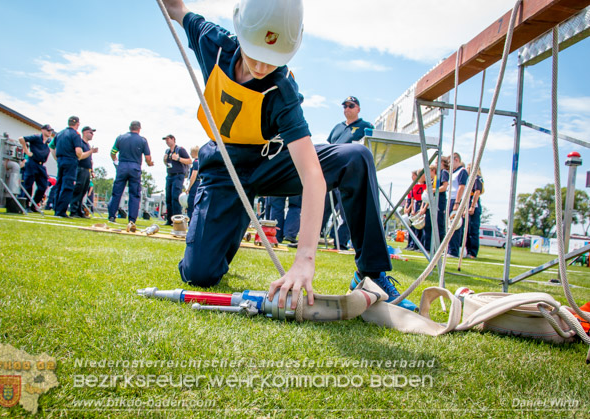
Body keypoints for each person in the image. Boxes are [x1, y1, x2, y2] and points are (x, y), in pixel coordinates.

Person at [162, 0, 417, 311]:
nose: (261, 66)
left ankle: (371, 273)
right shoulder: (212, 42)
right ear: (241, 32)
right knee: (199, 275)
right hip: (223, 169)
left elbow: (312, 174)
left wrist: (304, 260)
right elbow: (176, 8)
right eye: (255, 54)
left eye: (273, 58)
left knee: (356, 157)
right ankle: (224, 229)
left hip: (271, 163)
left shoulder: (283, 89)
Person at [321, 96, 375, 249]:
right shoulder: (337, 127)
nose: (347, 109)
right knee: (322, 207)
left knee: (346, 210)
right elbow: (329, 146)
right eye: (344, 106)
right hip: (331, 171)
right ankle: (312, 238)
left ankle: (340, 242)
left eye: (351, 106)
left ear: (358, 108)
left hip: (349, 173)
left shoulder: (366, 126)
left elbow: (370, 147)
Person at [107, 121, 154, 229]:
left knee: (117, 193)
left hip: (122, 166)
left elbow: (113, 152)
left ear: (130, 128)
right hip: (135, 167)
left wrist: (116, 162)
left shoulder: (121, 138)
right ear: (139, 129)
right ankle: (132, 219)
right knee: (134, 194)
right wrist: (149, 163)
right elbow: (148, 158)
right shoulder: (142, 140)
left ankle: (111, 216)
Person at [53, 116, 84, 218]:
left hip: (60, 160)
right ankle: (61, 211)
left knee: (59, 184)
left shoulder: (59, 134)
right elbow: (78, 151)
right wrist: (80, 157)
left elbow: (52, 147)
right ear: (77, 124)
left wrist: (57, 158)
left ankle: (56, 208)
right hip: (70, 160)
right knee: (68, 186)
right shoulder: (75, 135)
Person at [18, 124, 53, 211]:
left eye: (50, 131)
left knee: (43, 186)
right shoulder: (36, 137)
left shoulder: (49, 141)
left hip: (41, 165)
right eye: (48, 130)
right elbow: (21, 138)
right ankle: (25, 205)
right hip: (32, 163)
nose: (50, 132)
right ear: (42, 130)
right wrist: (26, 151)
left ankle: (34, 204)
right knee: (28, 184)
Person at [70, 126, 98, 217]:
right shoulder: (80, 143)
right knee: (77, 190)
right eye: (90, 132)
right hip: (80, 168)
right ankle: (73, 210)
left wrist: (92, 171)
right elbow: (80, 155)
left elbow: (90, 160)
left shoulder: (88, 145)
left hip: (87, 170)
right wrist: (91, 151)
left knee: (83, 192)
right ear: (85, 133)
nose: (92, 135)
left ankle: (79, 210)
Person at [162, 134, 191, 224]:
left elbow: (189, 161)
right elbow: (167, 163)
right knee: (168, 198)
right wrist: (165, 160)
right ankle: (169, 219)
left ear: (173, 139)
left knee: (175, 197)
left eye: (168, 139)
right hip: (169, 175)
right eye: (165, 140)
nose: (167, 142)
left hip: (178, 175)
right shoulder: (167, 151)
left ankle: (177, 219)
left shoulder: (180, 149)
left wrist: (178, 158)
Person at [447, 153, 468, 257]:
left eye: (450, 162)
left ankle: (453, 251)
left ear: (456, 159)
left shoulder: (462, 171)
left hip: (456, 199)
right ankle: (449, 249)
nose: (449, 164)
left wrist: (457, 202)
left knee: (455, 226)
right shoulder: (453, 173)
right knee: (449, 225)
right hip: (450, 199)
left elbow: (461, 187)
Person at [465, 164, 484, 259]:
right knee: (467, 230)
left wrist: (472, 206)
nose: (467, 170)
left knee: (473, 230)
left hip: (474, 205)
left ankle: (473, 252)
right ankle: (468, 250)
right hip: (468, 204)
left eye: (468, 168)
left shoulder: (477, 178)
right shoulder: (469, 180)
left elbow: (477, 192)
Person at [186, 145, 200, 220]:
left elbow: (193, 176)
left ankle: (191, 220)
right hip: (198, 183)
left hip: (195, 184)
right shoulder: (200, 162)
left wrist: (189, 188)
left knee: (191, 203)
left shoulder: (195, 162)